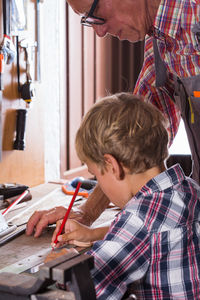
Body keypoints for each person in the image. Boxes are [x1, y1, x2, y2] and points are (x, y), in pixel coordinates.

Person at [26, 0, 200, 236]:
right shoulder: (160, 42)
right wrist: (86, 214)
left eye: (95, 13)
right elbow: (134, 135)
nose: (99, 32)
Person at [51, 92, 200, 299]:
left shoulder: (138, 218)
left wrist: (58, 263)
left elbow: (87, 289)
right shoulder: (191, 190)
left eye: (96, 175)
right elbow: (157, 235)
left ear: (112, 165)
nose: (98, 183)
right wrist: (94, 234)